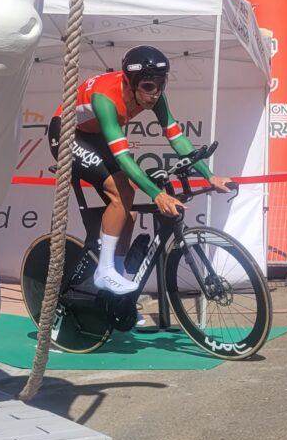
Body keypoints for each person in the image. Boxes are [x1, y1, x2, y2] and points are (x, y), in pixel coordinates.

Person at [48, 46, 234, 294]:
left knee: (129, 212)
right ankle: (104, 272)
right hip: (67, 134)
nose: (155, 94)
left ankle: (114, 291)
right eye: (148, 86)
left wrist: (209, 176)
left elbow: (177, 138)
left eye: (160, 84)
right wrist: (157, 194)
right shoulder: (106, 98)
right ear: (129, 82)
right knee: (121, 191)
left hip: (95, 135)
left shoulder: (155, 97)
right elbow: (124, 158)